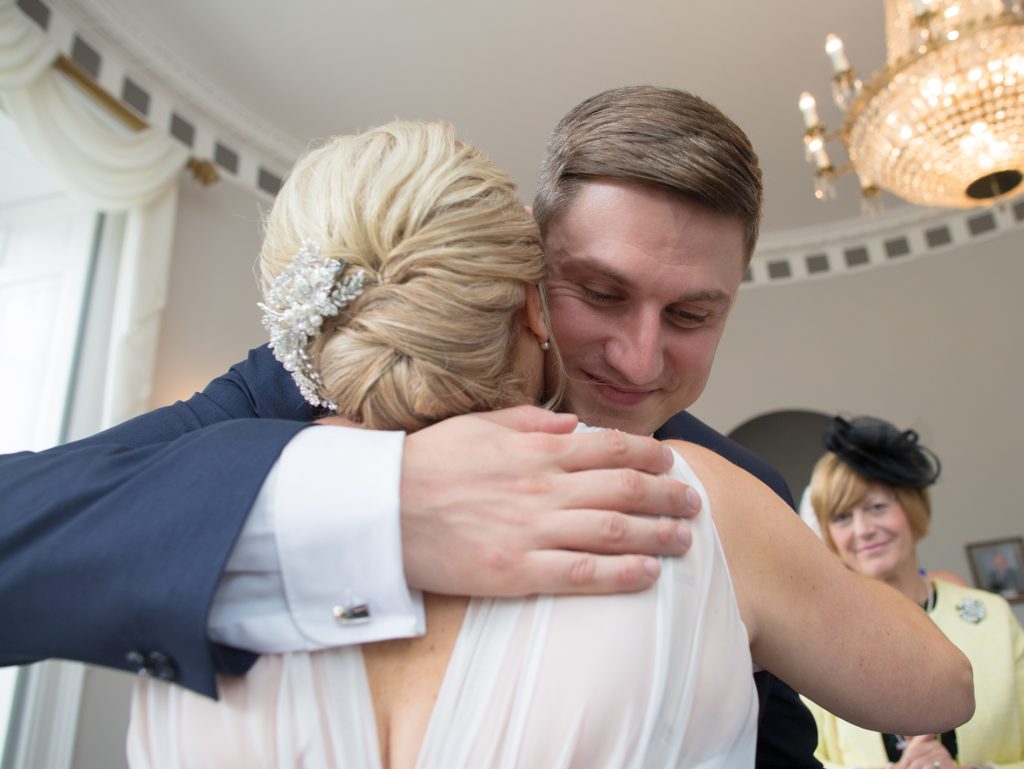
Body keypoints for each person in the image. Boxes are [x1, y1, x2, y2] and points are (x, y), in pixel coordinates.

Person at [0, 86, 902, 764]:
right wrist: (377, 501)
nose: (636, 358)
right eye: (599, 292)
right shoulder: (287, 389)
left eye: (693, 316)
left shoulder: (734, 495)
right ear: (524, 261)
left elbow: (771, 750)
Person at [805, 415, 1024, 769]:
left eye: (877, 507)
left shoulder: (993, 618)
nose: (863, 530)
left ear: (912, 508)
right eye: (843, 517)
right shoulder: (819, 639)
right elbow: (805, 758)